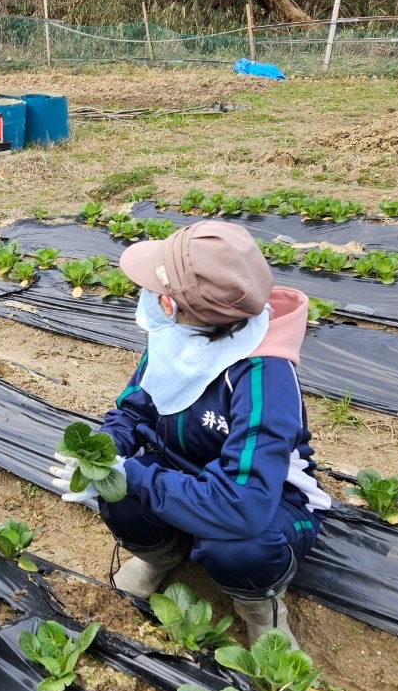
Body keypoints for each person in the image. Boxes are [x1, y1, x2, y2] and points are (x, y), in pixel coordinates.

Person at [52, 221, 331, 647]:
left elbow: (244, 505)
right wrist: (102, 455)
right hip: (181, 473)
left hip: (262, 499)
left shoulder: (263, 376)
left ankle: (260, 607)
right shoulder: (178, 337)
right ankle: (161, 557)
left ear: (171, 303)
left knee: (240, 548)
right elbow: (134, 408)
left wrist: (137, 476)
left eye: (154, 292)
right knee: (118, 497)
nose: (145, 298)